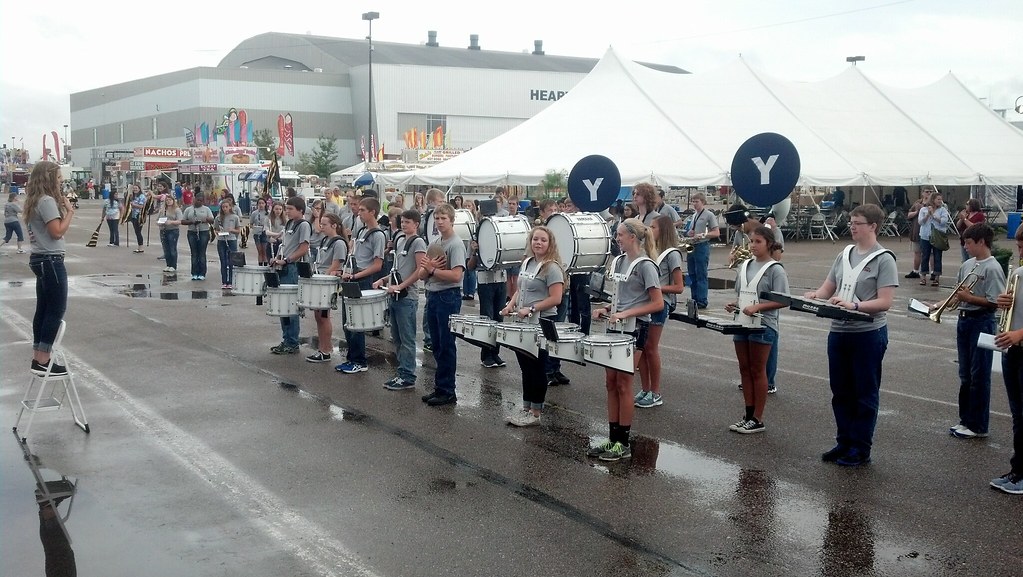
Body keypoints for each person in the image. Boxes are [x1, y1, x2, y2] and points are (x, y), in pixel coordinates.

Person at [805, 204, 898, 466]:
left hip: (867, 333)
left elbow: (885, 302)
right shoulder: (844, 254)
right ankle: (844, 441)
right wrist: (815, 295)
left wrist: (855, 306)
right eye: (851, 222)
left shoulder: (884, 259)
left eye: (858, 223)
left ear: (873, 226)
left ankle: (860, 447)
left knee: (864, 393)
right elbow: (828, 288)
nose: (852, 227)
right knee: (840, 391)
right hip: (839, 332)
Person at [587, 218, 663, 461]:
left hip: (635, 328)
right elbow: (621, 298)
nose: (617, 238)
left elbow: (657, 303)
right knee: (610, 382)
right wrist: (607, 308)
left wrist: (627, 313)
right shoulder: (619, 261)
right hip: (615, 326)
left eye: (620, 235)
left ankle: (624, 443)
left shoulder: (646, 265)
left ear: (632, 237)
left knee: (624, 383)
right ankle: (612, 438)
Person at [724, 226, 788, 433]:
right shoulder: (745, 266)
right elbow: (743, 294)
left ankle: (757, 418)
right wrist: (735, 304)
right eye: (751, 241)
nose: (753, 245)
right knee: (744, 368)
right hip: (742, 322)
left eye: (758, 241)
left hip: (763, 325)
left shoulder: (775, 269)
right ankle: (748, 414)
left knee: (757, 370)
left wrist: (758, 307)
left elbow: (783, 300)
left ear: (769, 243)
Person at [500, 226, 565, 426]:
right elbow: (520, 289)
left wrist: (532, 308)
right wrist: (510, 305)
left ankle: (536, 413)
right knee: (525, 368)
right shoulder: (528, 262)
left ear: (550, 243)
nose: (538, 243)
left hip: (541, 323)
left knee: (537, 368)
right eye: (535, 239)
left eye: (543, 240)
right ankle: (526, 408)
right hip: (523, 322)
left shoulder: (552, 268)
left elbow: (556, 298)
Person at [948, 223, 1004, 439]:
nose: (965, 246)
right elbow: (957, 294)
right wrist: (938, 305)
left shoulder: (992, 268)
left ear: (982, 242)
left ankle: (978, 425)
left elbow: (995, 302)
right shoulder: (967, 265)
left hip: (982, 321)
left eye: (969, 243)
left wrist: (969, 298)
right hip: (964, 321)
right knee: (965, 375)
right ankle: (966, 420)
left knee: (979, 375)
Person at [24, 161, 75, 376]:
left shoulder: (35, 200)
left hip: (40, 259)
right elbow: (57, 232)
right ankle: (44, 359)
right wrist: (69, 212)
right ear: (49, 178)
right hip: (50, 260)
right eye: (58, 178)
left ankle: (39, 357)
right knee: (56, 309)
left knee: (44, 309)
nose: (60, 182)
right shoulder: (46, 201)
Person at [374, 209, 427, 389]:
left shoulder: (418, 242)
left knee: (407, 339)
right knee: (396, 338)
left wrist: (401, 286)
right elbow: (397, 269)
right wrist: (384, 280)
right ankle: (401, 372)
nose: (404, 225)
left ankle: (408, 375)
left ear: (416, 224)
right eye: (402, 221)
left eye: (407, 222)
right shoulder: (400, 240)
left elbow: (420, 271)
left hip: (407, 297)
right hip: (395, 294)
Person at [635, 215, 684, 408]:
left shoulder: (672, 254)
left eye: (653, 227)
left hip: (661, 303)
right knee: (642, 347)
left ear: (663, 230)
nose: (649, 230)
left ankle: (655, 392)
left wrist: (654, 288)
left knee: (651, 347)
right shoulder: (649, 252)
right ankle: (645, 388)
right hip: (646, 302)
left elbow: (679, 287)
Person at [420, 203, 466, 406]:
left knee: (446, 344)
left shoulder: (456, 244)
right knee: (437, 344)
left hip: (448, 296)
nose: (439, 222)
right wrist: (428, 269)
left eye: (443, 218)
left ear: (452, 220)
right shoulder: (435, 242)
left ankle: (448, 390)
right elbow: (421, 273)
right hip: (433, 294)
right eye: (437, 218)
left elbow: (456, 276)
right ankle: (440, 386)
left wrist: (432, 270)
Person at [336, 197, 386, 373]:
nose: (359, 212)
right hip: (352, 276)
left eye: (363, 210)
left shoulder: (378, 235)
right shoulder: (362, 230)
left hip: (362, 279)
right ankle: (351, 358)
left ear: (373, 212)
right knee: (347, 322)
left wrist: (356, 275)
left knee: (357, 322)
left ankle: (359, 361)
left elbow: (377, 265)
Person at [992, 228, 1023, 495]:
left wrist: (1018, 334)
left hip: (1018, 343)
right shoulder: (1018, 275)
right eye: (1019, 247)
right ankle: (1018, 470)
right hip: (1013, 351)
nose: (1020, 253)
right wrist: (1003, 303)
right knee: (1018, 415)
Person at [270, 196, 311, 354]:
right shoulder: (289, 223)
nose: (287, 211)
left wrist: (287, 260)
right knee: (283, 305)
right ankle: (286, 339)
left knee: (291, 306)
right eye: (286, 208)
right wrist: (277, 258)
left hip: (293, 267)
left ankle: (292, 342)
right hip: (284, 265)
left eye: (290, 209)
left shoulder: (303, 225)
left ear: (300, 210)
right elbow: (285, 245)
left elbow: (303, 248)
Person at [306, 213, 348, 363]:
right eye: (321, 224)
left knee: (324, 316)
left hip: (327, 282)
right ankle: (322, 348)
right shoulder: (325, 240)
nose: (321, 227)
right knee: (318, 316)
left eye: (324, 224)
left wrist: (324, 276)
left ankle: (326, 350)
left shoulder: (339, 243)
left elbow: (337, 263)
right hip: (320, 280)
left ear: (334, 225)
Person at [468, 236, 508, 369]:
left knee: (499, 319)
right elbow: (470, 266)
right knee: (487, 319)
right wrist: (474, 252)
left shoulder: (500, 236)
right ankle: (486, 355)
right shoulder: (475, 238)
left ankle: (495, 353)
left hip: (501, 280)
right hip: (485, 282)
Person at [419, 188, 446, 352]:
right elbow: (425, 234)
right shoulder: (427, 218)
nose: (442, 205)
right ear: (431, 202)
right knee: (429, 302)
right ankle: (428, 337)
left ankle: (432, 337)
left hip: (436, 259)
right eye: (440, 202)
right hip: (430, 258)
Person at [685, 192, 720, 309]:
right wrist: (689, 233)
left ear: (703, 202)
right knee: (691, 273)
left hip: (701, 245)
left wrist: (704, 235)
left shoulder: (709, 215)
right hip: (691, 244)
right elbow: (690, 230)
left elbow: (716, 232)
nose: (694, 204)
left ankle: (702, 300)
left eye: (697, 202)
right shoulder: (694, 215)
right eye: (693, 201)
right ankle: (694, 298)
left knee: (701, 273)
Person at [919, 192, 950, 287]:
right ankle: (923, 277)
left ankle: (936, 277)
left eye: (941, 199)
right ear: (933, 200)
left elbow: (944, 222)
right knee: (925, 256)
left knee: (937, 257)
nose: (940, 201)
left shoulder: (943, 210)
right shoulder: (923, 209)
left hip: (937, 236)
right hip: (925, 236)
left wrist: (933, 215)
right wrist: (927, 215)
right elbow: (920, 222)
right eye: (938, 199)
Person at [182, 194, 214, 281]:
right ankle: (194, 273)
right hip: (192, 232)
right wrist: (192, 222)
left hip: (203, 232)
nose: (199, 202)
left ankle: (202, 273)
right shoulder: (188, 209)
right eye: (197, 200)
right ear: (194, 199)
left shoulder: (206, 209)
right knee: (194, 253)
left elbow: (212, 220)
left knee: (202, 253)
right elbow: (183, 221)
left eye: (201, 200)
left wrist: (206, 220)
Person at [905, 189, 931, 279]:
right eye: (927, 191)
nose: (929, 193)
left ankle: (933, 272)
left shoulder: (934, 203)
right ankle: (915, 271)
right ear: (922, 193)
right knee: (917, 252)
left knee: (930, 253)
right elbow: (909, 215)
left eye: (930, 191)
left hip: (929, 232)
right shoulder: (917, 203)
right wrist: (917, 212)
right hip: (916, 230)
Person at [215, 199, 241, 288]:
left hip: (231, 240)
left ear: (230, 207)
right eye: (223, 207)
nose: (225, 209)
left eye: (226, 207)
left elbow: (238, 230)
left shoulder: (235, 217)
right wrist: (218, 232)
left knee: (231, 261)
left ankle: (231, 281)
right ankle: (224, 281)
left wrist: (232, 230)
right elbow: (216, 229)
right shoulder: (218, 218)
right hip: (221, 240)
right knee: (223, 261)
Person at [158, 196, 183, 273]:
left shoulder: (177, 210)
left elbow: (180, 221)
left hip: (173, 230)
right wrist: (159, 223)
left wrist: (171, 222)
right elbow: (157, 219)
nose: (168, 201)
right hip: (163, 230)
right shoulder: (162, 210)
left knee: (172, 248)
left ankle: (173, 265)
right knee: (166, 249)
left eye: (170, 200)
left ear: (173, 201)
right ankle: (168, 265)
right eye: (167, 200)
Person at [250, 198, 270, 266]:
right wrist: (254, 227)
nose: (261, 205)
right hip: (257, 233)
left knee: (265, 251)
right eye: (259, 203)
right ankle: (260, 265)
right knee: (260, 251)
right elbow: (251, 224)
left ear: (265, 204)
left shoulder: (268, 213)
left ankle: (265, 264)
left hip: (265, 233)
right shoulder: (254, 213)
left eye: (262, 203)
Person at [127, 184, 147, 252]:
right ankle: (139, 247)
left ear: (139, 189)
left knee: (138, 232)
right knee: (137, 231)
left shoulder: (141, 196)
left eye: (136, 188)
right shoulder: (133, 196)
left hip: (139, 215)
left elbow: (141, 206)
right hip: (133, 216)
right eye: (134, 188)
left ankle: (141, 247)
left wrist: (133, 205)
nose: (135, 189)